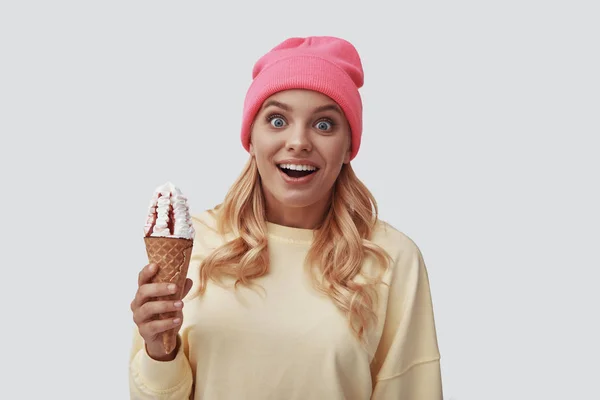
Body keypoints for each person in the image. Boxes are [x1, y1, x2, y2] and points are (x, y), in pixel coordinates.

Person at [129, 36, 443, 400]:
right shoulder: (195, 241)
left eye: (324, 125)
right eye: (277, 120)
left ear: (348, 147)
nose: (299, 141)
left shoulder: (392, 257)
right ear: (251, 138)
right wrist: (159, 351)